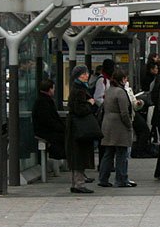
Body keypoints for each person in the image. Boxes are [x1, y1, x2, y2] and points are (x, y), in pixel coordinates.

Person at [98, 70, 137, 188]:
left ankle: (103, 178)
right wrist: (129, 125)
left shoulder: (109, 91)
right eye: (125, 79)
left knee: (108, 153)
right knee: (122, 153)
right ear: (122, 79)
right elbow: (124, 112)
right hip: (119, 126)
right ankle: (121, 179)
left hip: (107, 124)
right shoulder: (121, 92)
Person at [66, 65, 96, 194]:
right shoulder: (80, 91)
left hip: (75, 128)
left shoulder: (77, 89)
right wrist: (90, 103)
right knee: (79, 155)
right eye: (82, 74)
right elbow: (79, 110)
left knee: (77, 155)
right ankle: (79, 184)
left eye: (86, 73)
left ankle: (76, 182)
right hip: (79, 128)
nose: (86, 75)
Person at [32, 79, 66, 160]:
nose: (54, 90)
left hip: (45, 130)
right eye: (53, 88)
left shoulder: (42, 100)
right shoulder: (44, 102)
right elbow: (48, 120)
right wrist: (62, 128)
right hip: (46, 131)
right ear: (49, 89)